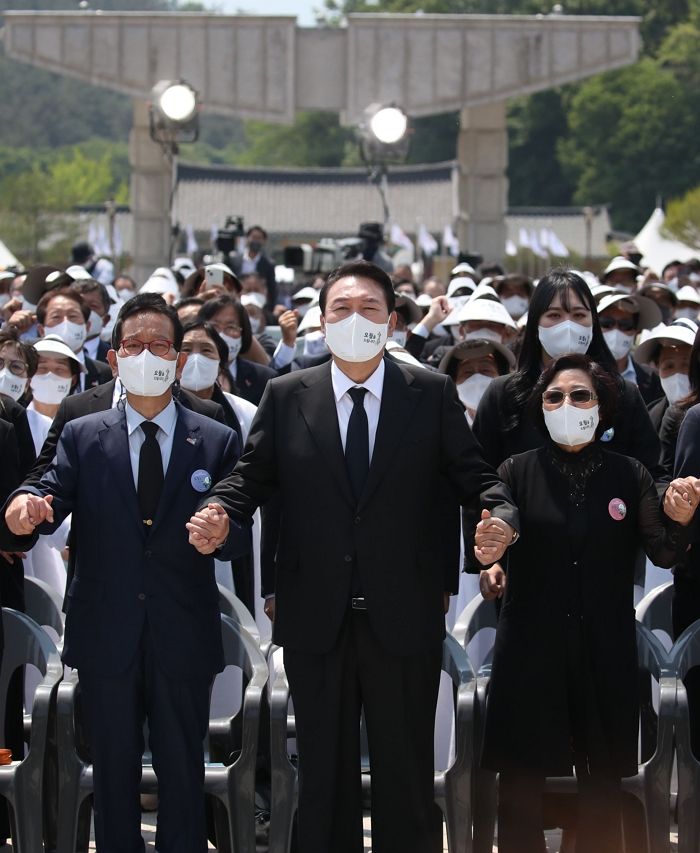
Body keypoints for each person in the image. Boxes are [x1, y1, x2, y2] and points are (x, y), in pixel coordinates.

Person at [185, 259, 519, 853]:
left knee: (405, 778)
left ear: (391, 322)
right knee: (323, 778)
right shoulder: (288, 395)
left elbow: (479, 479)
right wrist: (219, 513)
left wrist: (501, 520)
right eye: (341, 308)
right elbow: (249, 478)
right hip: (316, 615)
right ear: (321, 321)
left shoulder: (430, 393)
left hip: (404, 613)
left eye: (369, 309)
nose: (355, 319)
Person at [2, 293, 250, 853]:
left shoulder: (214, 435)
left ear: (178, 359)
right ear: (113, 359)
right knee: (112, 774)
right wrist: (25, 506)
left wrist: (223, 534)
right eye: (133, 345)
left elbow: (238, 531)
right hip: (104, 632)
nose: (147, 355)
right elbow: (46, 494)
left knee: (182, 774)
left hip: (182, 634)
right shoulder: (83, 434)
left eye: (159, 344)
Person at [475, 353, 698, 853]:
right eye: (555, 396)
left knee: (601, 780)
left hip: (605, 645)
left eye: (580, 395)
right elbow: (499, 527)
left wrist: (683, 519)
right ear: (541, 408)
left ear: (602, 407)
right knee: (520, 781)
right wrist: (493, 558)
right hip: (531, 647)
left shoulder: (630, 475)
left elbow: (662, 551)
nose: (567, 404)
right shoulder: (515, 471)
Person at [471, 269, 661, 473]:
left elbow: (649, 472)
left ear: (593, 324)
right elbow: (480, 473)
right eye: (554, 315)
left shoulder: (624, 394)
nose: (568, 325)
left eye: (579, 315)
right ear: (535, 324)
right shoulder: (503, 394)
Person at [198, 295, 276, 405]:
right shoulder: (187, 372)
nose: (221, 335)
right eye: (214, 326)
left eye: (231, 327)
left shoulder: (264, 379)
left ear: (243, 332)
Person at [596, 292, 662, 405]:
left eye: (625, 325)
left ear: (636, 331)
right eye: (607, 323)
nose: (616, 331)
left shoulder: (652, 379)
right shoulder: (580, 372)